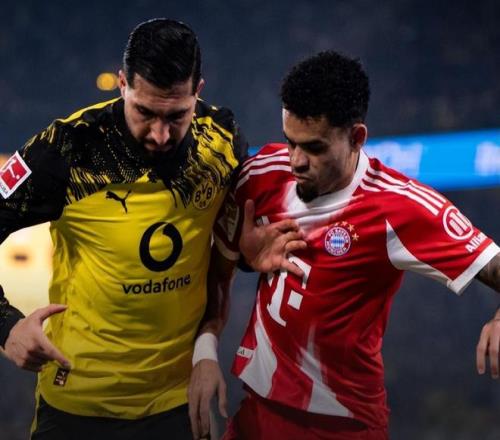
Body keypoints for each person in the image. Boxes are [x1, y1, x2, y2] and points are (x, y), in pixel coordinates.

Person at [0, 18, 303, 440]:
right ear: (122, 84)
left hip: (177, 404)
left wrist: (245, 256)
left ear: (198, 91)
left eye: (177, 116)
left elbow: (223, 249)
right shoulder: (69, 148)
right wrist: (7, 327)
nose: (160, 134)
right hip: (76, 403)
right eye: (144, 112)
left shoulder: (222, 141)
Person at [188, 50, 500, 439]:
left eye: (314, 148)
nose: (296, 161)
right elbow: (216, 273)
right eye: (290, 142)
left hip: (342, 426)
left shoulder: (401, 207)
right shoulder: (261, 174)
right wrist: (205, 351)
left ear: (356, 138)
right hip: (256, 413)